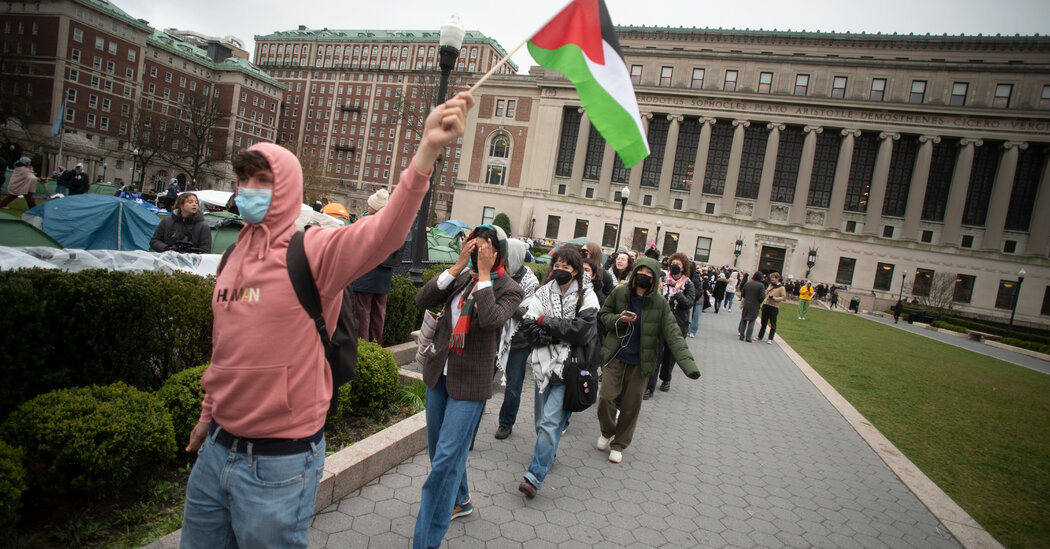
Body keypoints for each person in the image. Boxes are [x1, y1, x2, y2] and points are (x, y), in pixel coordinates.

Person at [178, 91, 475, 549]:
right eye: (244, 179)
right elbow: (225, 350)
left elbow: (383, 232)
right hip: (215, 450)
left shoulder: (313, 252)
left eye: (262, 180)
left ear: (287, 187)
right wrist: (207, 415)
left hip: (278, 463)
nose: (249, 189)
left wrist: (426, 152)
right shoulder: (232, 256)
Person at [413, 223, 523, 549]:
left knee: (444, 462)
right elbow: (422, 298)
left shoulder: (510, 288)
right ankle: (461, 499)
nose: (479, 252)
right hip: (439, 375)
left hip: (471, 385)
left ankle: (425, 541)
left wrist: (485, 276)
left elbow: (490, 319)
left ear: (499, 252)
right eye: (475, 245)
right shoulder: (463, 277)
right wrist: (459, 265)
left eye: (486, 246)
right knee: (440, 452)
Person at [595, 256, 700, 464]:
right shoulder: (620, 293)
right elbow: (603, 316)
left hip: (641, 363)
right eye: (641, 272)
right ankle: (607, 431)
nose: (643, 276)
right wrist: (619, 319)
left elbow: (673, 334)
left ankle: (619, 444)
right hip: (616, 356)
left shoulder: (660, 304)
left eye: (649, 274)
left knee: (630, 406)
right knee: (606, 398)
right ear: (635, 274)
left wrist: (689, 366)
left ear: (655, 279)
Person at [516, 245, 598, 497]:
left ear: (576, 270)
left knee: (551, 422)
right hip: (542, 366)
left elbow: (581, 331)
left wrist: (545, 322)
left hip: (569, 368)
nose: (560, 270)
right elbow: (528, 324)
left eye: (566, 266)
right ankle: (547, 454)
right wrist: (552, 334)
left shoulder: (587, 296)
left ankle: (534, 476)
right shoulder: (542, 293)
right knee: (541, 423)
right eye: (557, 265)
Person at [493, 239, 540, 441]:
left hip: (519, 341)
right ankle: (472, 421)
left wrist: (506, 306)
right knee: (482, 380)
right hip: (493, 337)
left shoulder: (530, 281)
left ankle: (506, 423)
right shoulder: (496, 274)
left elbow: (530, 314)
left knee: (513, 386)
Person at [351, 188, 400, 344]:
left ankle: (363, 347)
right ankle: (376, 347)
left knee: (362, 314)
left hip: (364, 277)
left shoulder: (366, 223)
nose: (368, 206)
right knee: (379, 315)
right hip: (383, 278)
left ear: (374, 207)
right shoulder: (393, 225)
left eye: (369, 204)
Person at [647, 252, 695, 397]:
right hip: (660, 322)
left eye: (678, 264)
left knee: (670, 355)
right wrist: (659, 289)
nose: (675, 266)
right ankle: (649, 386)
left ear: (683, 267)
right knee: (656, 353)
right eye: (673, 263)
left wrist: (678, 292)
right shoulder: (662, 279)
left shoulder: (688, 283)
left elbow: (688, 304)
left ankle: (666, 378)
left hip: (677, 324)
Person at [757, 272, 787, 344]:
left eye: (773, 277)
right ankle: (760, 336)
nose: (772, 279)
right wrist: (763, 304)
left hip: (774, 306)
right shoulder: (770, 285)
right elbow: (766, 294)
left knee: (772, 323)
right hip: (766, 305)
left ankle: (770, 338)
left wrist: (774, 298)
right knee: (763, 322)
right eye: (771, 277)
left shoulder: (781, 287)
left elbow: (783, 297)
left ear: (777, 278)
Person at [738, 272, 765, 343]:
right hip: (755, 305)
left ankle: (741, 336)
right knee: (752, 321)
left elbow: (742, 293)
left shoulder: (748, 283)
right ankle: (748, 337)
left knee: (744, 319)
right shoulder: (761, 285)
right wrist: (758, 301)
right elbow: (762, 296)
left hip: (746, 303)